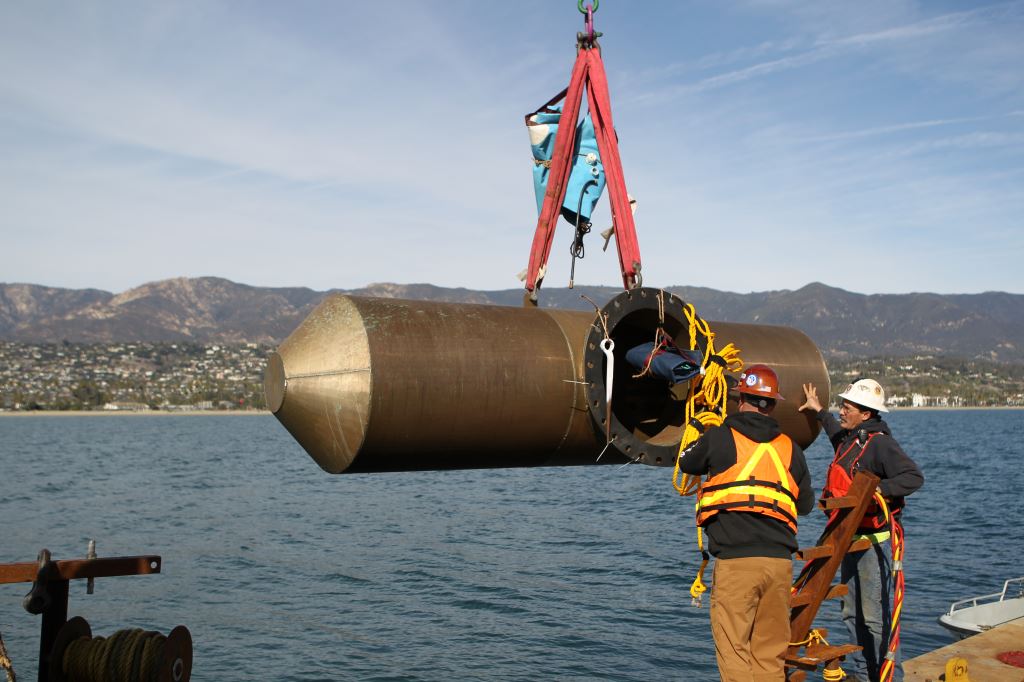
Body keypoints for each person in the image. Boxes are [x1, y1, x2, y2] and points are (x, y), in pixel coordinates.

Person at [678, 364, 814, 682]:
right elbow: (805, 505)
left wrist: (699, 421)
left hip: (737, 564)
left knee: (734, 652)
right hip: (779, 565)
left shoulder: (721, 437)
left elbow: (686, 459)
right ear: (773, 404)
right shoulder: (790, 449)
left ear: (741, 399)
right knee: (769, 657)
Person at [800, 379, 923, 682]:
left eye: (847, 407)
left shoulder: (880, 443)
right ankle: (862, 673)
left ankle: (889, 675)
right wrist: (817, 410)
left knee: (874, 617)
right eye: (842, 405)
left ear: (866, 414)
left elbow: (913, 477)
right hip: (848, 540)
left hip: (874, 544)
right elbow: (832, 429)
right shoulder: (849, 439)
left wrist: (874, 490)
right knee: (850, 613)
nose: (840, 411)